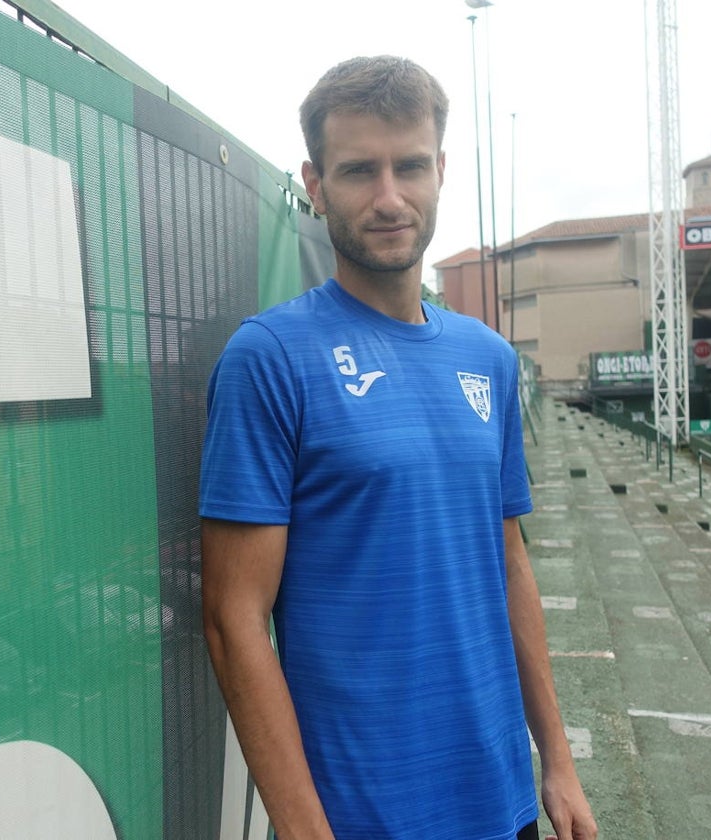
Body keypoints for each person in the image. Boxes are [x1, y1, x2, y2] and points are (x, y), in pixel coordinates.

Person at [199, 55, 597, 840]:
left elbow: (509, 560)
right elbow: (232, 620)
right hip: (362, 818)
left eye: (409, 166)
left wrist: (557, 758)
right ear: (314, 185)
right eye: (357, 172)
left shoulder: (489, 358)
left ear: (440, 170)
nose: (388, 198)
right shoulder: (269, 358)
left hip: (503, 803)